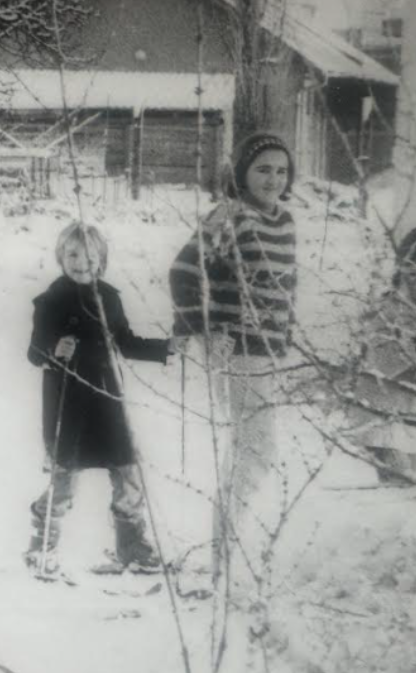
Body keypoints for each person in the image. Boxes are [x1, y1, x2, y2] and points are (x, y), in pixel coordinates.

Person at [168, 132, 298, 655]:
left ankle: (233, 552)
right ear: (242, 173)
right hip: (237, 347)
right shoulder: (230, 216)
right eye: (263, 169)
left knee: (254, 450)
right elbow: (182, 270)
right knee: (255, 449)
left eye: (281, 171)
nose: (272, 180)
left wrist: (286, 336)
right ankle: (229, 555)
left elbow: (289, 285)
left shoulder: (285, 221)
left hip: (270, 349)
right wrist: (204, 324)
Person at [24, 223, 171, 578]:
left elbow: (127, 342)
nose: (81, 262)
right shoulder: (50, 300)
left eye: (90, 256)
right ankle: (42, 545)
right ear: (61, 256)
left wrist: (167, 348)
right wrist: (53, 349)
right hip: (67, 401)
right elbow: (34, 352)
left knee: (126, 470)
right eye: (73, 254)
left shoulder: (109, 297)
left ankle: (131, 546)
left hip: (106, 398)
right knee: (64, 475)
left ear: (102, 260)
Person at [347, 225, 416, 485]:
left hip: (409, 422)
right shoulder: (390, 313)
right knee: (403, 485)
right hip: (381, 421)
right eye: (415, 274)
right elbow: (391, 366)